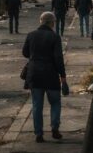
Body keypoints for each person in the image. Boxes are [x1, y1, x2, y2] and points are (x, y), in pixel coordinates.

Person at [22, 12, 67, 143]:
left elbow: (25, 53)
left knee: (37, 105)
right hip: (51, 74)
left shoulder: (31, 35)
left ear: (41, 21)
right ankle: (54, 128)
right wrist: (63, 77)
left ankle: (38, 134)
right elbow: (58, 58)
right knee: (55, 102)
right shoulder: (55, 37)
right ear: (52, 23)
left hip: (34, 74)